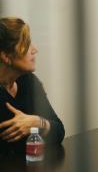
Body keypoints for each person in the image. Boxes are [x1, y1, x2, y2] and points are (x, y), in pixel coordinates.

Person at [0, 17, 65, 156]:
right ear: (6, 56)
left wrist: (37, 122)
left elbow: (59, 130)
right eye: (27, 44)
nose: (35, 49)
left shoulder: (28, 81)